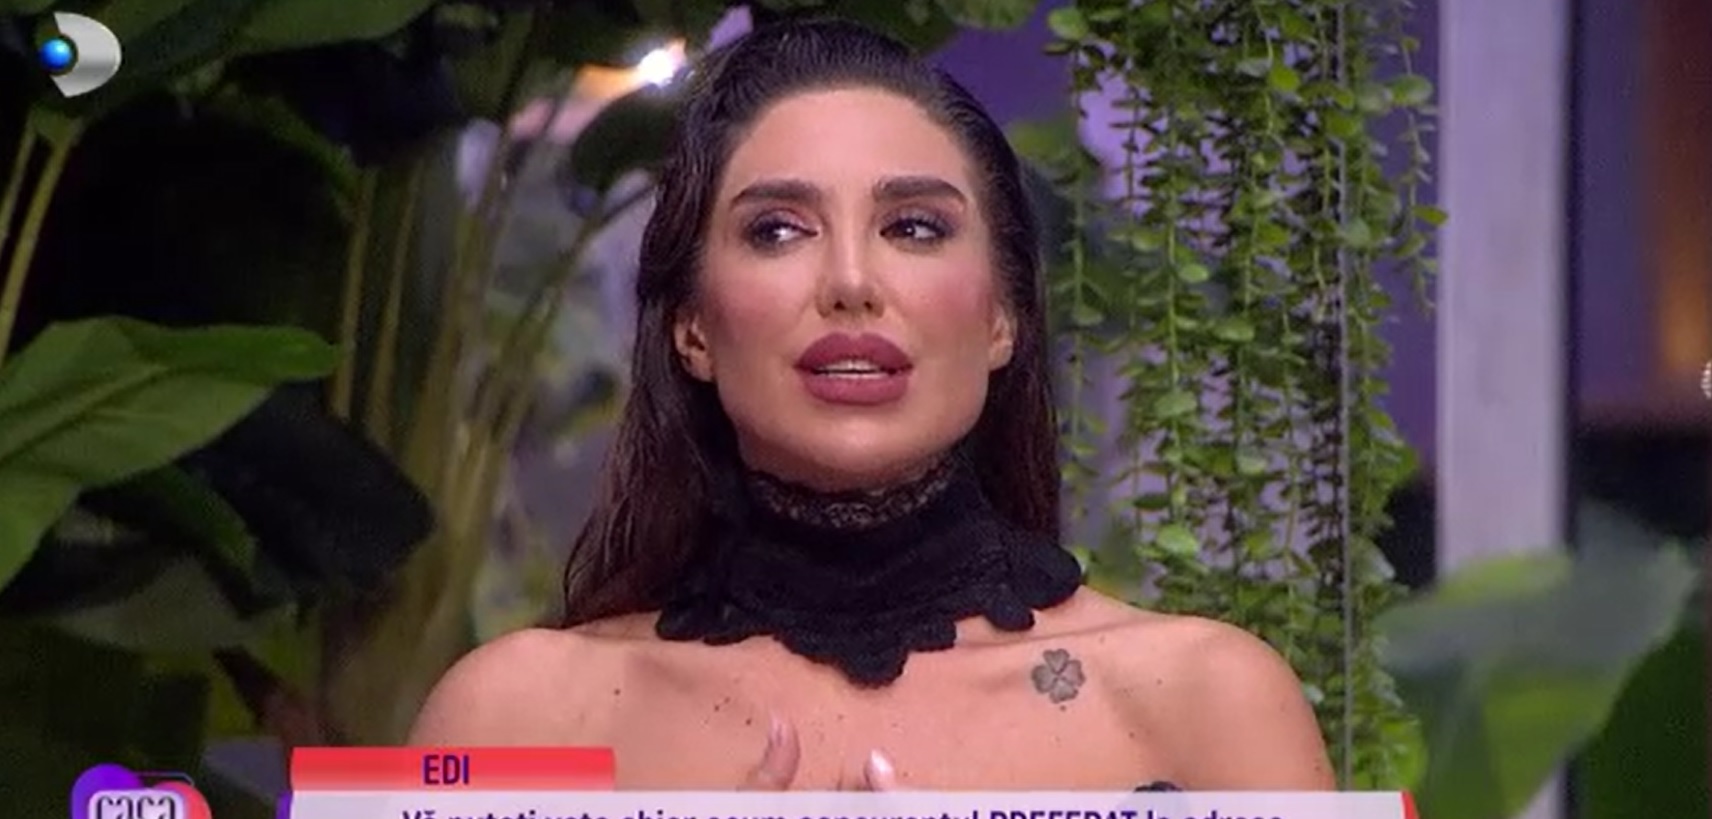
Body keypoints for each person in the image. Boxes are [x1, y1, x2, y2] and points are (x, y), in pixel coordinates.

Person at [410, 17, 1333, 791]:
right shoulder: (515, 716)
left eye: (914, 227)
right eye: (778, 230)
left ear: (1003, 317)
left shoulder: (1203, 703)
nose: (851, 282)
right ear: (691, 326)